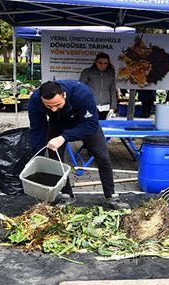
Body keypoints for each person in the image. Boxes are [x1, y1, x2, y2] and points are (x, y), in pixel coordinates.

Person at [28, 80, 129, 210]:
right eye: (48, 106)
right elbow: (37, 129)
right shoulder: (35, 100)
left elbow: (91, 125)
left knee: (103, 157)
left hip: (85, 123)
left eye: (57, 104)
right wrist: (36, 157)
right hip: (57, 124)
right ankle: (66, 195)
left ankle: (111, 196)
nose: (53, 109)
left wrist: (64, 137)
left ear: (64, 95)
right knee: (55, 159)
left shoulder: (82, 93)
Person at [79, 53, 117, 120]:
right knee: (90, 127)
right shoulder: (87, 72)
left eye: (105, 63)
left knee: (103, 128)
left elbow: (113, 91)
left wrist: (113, 107)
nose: (102, 65)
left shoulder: (111, 73)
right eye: (100, 63)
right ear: (95, 62)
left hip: (106, 107)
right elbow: (80, 88)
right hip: (90, 105)